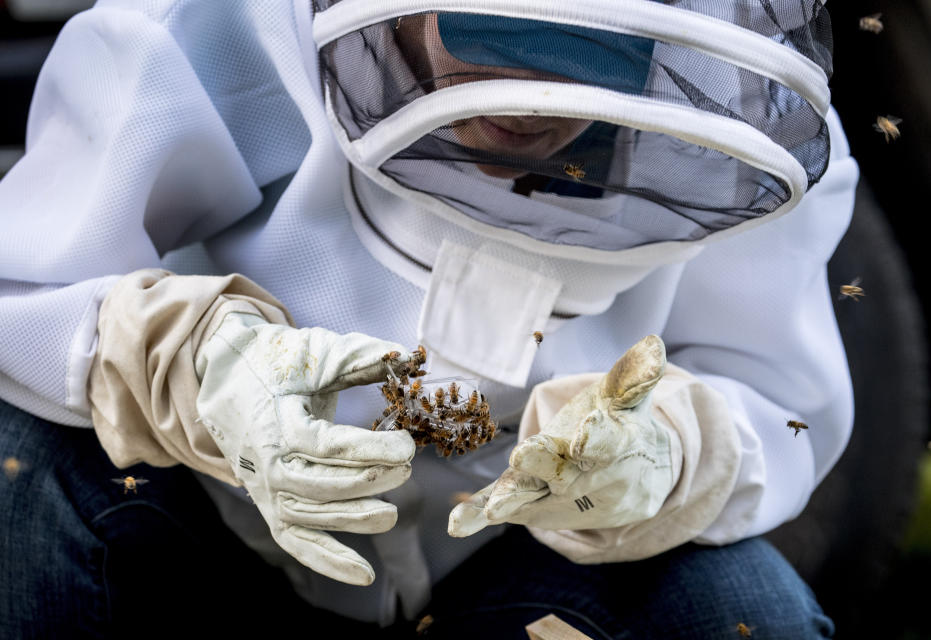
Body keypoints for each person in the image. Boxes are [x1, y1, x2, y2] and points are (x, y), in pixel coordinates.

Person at [0, 1, 855, 637]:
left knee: (744, 608)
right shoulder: (214, 24)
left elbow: (774, 392)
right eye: (497, 37)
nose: (531, 96)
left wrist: (672, 447)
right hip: (207, 542)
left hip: (510, 567)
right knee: (23, 469)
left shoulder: (739, 132)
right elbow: (23, 286)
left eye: (587, 51)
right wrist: (186, 361)